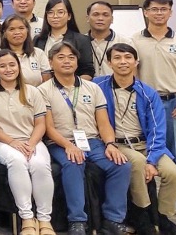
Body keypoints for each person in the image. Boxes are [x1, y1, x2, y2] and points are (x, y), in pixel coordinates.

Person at [39, 42, 130, 235]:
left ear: (77, 61)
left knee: (121, 165)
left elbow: (104, 123)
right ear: (50, 62)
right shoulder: (43, 90)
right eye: (61, 57)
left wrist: (110, 144)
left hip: (93, 141)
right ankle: (77, 221)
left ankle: (113, 219)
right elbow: (48, 127)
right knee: (74, 163)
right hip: (60, 142)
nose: (67, 61)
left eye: (71, 57)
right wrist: (68, 146)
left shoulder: (92, 88)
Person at [93, 43, 176, 234]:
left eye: (128, 57)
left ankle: (163, 217)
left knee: (173, 173)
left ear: (136, 62)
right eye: (117, 58)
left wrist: (153, 159)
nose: (123, 62)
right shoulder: (97, 86)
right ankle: (143, 215)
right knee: (138, 163)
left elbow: (157, 130)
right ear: (109, 63)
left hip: (146, 144)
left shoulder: (147, 92)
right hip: (118, 144)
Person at [131, 0, 176, 215]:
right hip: (146, 104)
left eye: (164, 9)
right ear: (145, 12)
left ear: (170, 12)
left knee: (175, 153)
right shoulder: (134, 40)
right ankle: (147, 200)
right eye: (154, 9)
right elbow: (130, 72)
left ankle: (175, 199)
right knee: (146, 152)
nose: (158, 13)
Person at [0, 50, 55, 235]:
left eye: (12, 65)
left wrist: (31, 143)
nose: (8, 69)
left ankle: (45, 220)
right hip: (2, 142)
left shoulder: (32, 91)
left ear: (19, 67)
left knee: (40, 165)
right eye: (3, 66)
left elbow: (41, 124)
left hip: (31, 140)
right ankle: (27, 218)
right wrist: (12, 142)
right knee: (17, 161)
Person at [33, 0, 94, 79]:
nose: (55, 16)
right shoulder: (38, 40)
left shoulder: (81, 40)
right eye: (50, 12)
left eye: (60, 12)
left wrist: (74, 87)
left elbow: (87, 70)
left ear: (69, 16)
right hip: (43, 88)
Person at [0, 15, 51, 86]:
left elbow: (46, 82)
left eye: (21, 28)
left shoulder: (38, 53)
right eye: (12, 29)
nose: (17, 32)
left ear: (27, 30)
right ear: (4, 33)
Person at [86, 1, 134, 77]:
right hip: (88, 87)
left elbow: (133, 69)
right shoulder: (80, 41)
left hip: (115, 87)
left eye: (105, 15)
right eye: (96, 14)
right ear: (88, 18)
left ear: (112, 19)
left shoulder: (125, 41)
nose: (100, 18)